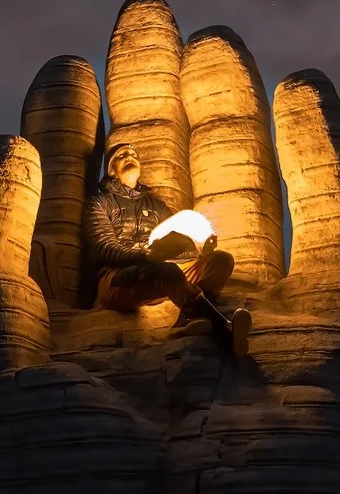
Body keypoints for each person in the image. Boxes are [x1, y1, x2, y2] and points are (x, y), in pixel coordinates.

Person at [86, 143, 253, 356]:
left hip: (160, 273)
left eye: (134, 154)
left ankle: (188, 320)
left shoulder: (157, 206)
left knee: (221, 260)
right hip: (116, 280)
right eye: (122, 155)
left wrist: (201, 250)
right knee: (167, 271)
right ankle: (223, 329)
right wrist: (146, 255)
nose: (130, 157)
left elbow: (177, 242)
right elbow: (104, 248)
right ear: (111, 170)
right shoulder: (99, 204)